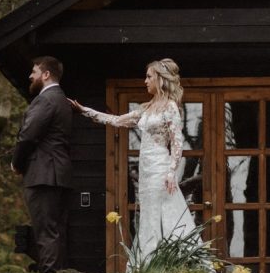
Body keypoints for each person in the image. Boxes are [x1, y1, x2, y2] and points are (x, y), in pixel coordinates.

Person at [70, 58, 197, 261]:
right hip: (145, 169)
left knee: (160, 212)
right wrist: (85, 111)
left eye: (149, 77)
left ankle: (169, 259)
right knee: (147, 214)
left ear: (160, 79)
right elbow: (116, 120)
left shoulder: (171, 107)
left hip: (160, 167)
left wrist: (172, 172)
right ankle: (149, 262)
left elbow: (177, 142)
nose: (145, 81)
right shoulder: (146, 109)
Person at [11, 56, 73, 273]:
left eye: (34, 71)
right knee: (56, 232)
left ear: (46, 75)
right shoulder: (63, 101)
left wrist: (16, 163)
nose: (31, 75)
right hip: (59, 175)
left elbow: (28, 136)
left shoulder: (45, 100)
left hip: (43, 175)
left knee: (45, 231)